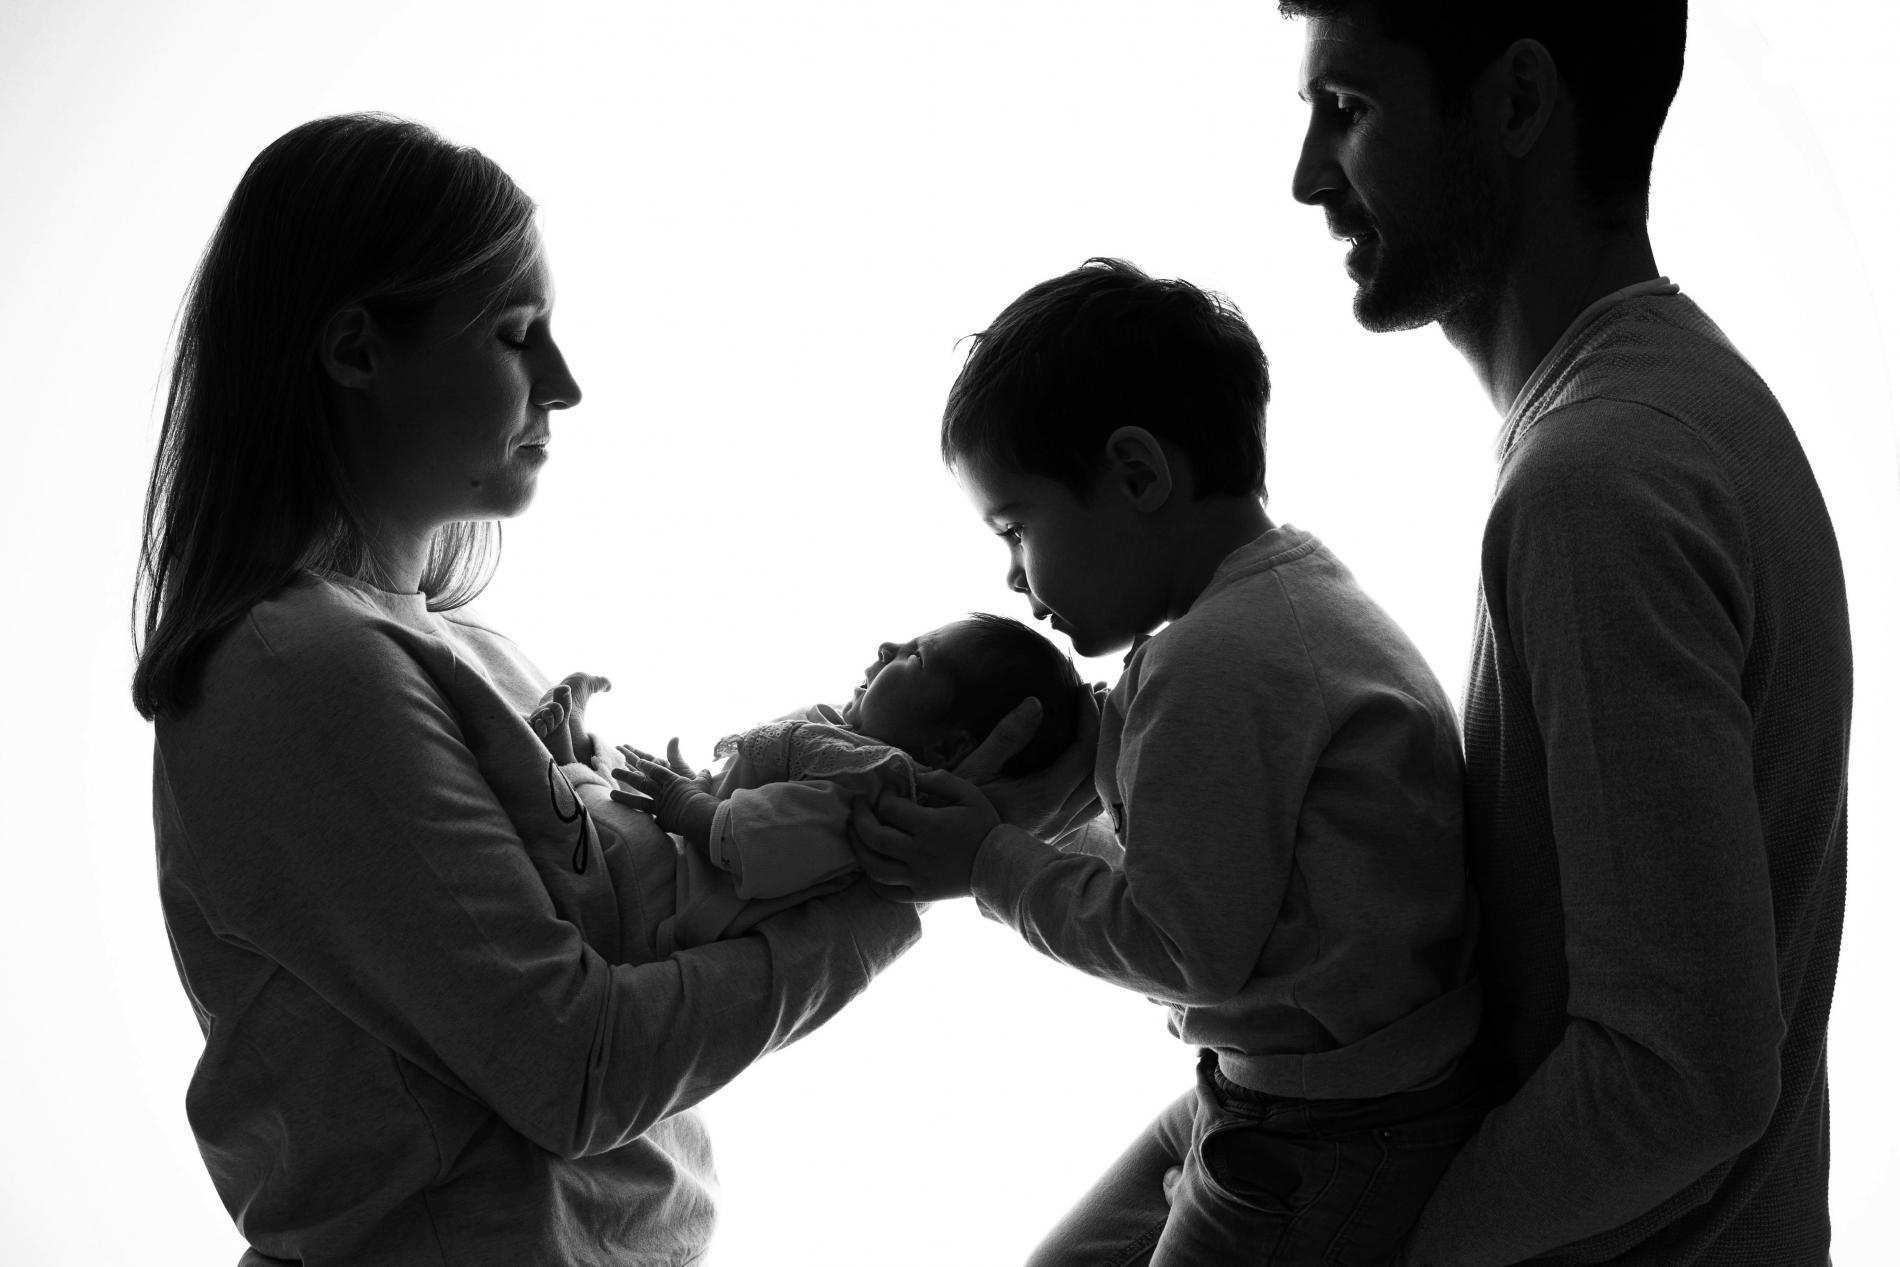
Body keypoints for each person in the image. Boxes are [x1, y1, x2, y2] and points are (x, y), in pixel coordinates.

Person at [132, 112, 933, 1266]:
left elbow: (649, 945)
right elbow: (577, 1067)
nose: (564, 383)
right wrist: (888, 902)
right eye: (516, 334)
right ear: (355, 350)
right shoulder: (297, 667)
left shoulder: (465, 651)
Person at [1279, 2, 1852, 1263]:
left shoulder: (1598, 480)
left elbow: (1679, 1076)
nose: (1308, 176)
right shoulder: (1675, 407)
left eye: (1349, 108)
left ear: (1519, 102)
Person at [849, 257, 1489, 1264]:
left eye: (1016, 528)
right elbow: (1215, 848)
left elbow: (1182, 948)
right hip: (1276, 1088)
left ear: (1138, 475)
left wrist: (988, 865)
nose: (1012, 577)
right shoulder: (1276, 606)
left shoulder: (1218, 662)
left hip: (1324, 1133)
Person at [529, 614, 1083, 953]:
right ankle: (578, 755)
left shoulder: (866, 788)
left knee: (608, 823)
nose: (888, 647)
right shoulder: (845, 752)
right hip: (681, 859)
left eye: (916, 656)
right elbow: (751, 801)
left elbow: (742, 838)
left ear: (945, 749)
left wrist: (681, 801)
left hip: (665, 897)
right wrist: (696, 785)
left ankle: (561, 763)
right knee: (624, 778)